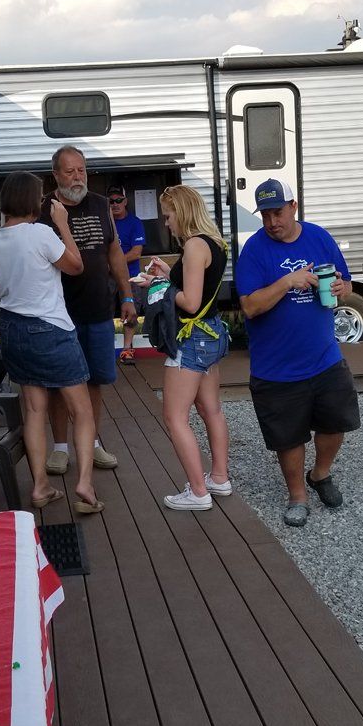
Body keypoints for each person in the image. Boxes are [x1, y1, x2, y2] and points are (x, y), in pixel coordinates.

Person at [235, 178, 360, 528]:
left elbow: (345, 284)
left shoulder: (319, 237)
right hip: (276, 368)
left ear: (293, 206)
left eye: (278, 212)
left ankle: (319, 475)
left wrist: (341, 288)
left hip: (325, 358)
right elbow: (249, 306)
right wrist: (287, 282)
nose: (273, 221)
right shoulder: (255, 250)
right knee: (288, 438)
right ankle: (297, 497)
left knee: (337, 425)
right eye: (265, 215)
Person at [0, 171, 103, 513]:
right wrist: (62, 224)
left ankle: (39, 487)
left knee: (34, 410)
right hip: (49, 329)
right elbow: (76, 266)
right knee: (81, 410)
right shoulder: (40, 234)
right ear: (31, 201)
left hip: (12, 330)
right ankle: (85, 484)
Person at [39, 146, 137, 475]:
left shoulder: (99, 204)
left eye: (82, 170)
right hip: (58, 314)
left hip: (98, 309)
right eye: (70, 171)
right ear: (55, 175)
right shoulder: (43, 209)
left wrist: (126, 296)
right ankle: (60, 448)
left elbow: (114, 252)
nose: (78, 176)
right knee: (59, 384)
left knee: (94, 381)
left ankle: (92, 443)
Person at [136, 185, 230, 511]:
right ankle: (219, 477)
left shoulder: (192, 245)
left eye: (168, 215)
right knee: (211, 410)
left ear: (183, 212)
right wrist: (169, 274)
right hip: (214, 333)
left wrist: (160, 285)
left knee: (175, 416)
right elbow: (201, 292)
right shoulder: (214, 243)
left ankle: (198, 491)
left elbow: (189, 302)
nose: (166, 223)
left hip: (192, 339)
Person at [106, 184, 146, 365]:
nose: (115, 204)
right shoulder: (105, 223)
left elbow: (136, 252)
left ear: (125, 201)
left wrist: (113, 263)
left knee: (131, 313)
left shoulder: (135, 222)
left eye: (118, 200)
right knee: (103, 312)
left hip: (130, 276)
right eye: (111, 201)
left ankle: (127, 349)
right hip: (107, 276)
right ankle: (104, 350)